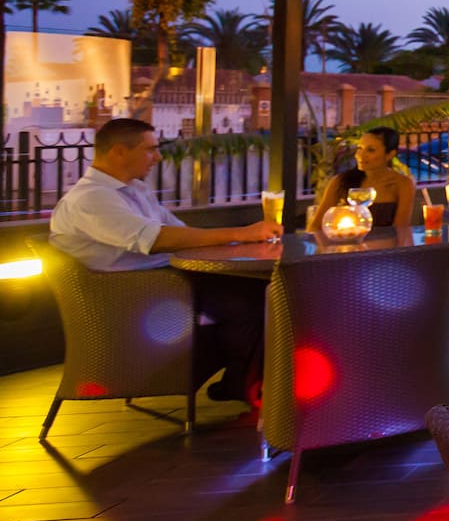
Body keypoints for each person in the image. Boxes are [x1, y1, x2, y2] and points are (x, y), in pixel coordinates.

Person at [49, 118, 282, 402]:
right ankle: (247, 384)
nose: (158, 157)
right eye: (150, 149)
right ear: (119, 152)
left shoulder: (134, 190)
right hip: (131, 293)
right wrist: (241, 234)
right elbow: (157, 239)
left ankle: (244, 380)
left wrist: (239, 241)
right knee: (252, 300)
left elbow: (180, 233)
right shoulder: (91, 199)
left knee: (265, 293)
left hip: (161, 280)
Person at [306, 127, 416, 231]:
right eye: (360, 148)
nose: (361, 155)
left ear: (390, 154)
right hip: (347, 247)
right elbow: (316, 227)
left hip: (385, 248)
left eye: (371, 150)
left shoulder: (402, 184)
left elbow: (401, 229)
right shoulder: (342, 181)